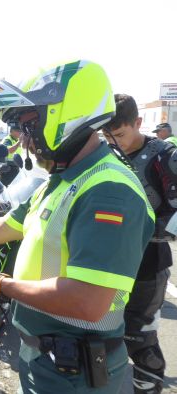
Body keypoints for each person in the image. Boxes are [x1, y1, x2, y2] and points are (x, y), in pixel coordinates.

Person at [0, 60, 155, 393]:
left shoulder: (108, 190)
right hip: (46, 359)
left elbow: (88, 301)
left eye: (29, 123)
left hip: (77, 374)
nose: (23, 138)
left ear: (67, 113)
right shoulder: (63, 180)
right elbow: (0, 227)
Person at [101, 94, 176, 394]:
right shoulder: (104, 154)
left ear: (138, 123)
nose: (115, 141)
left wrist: (137, 230)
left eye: (119, 134)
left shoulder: (163, 155)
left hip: (149, 262)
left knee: (139, 338)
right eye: (108, 135)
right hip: (106, 261)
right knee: (100, 332)